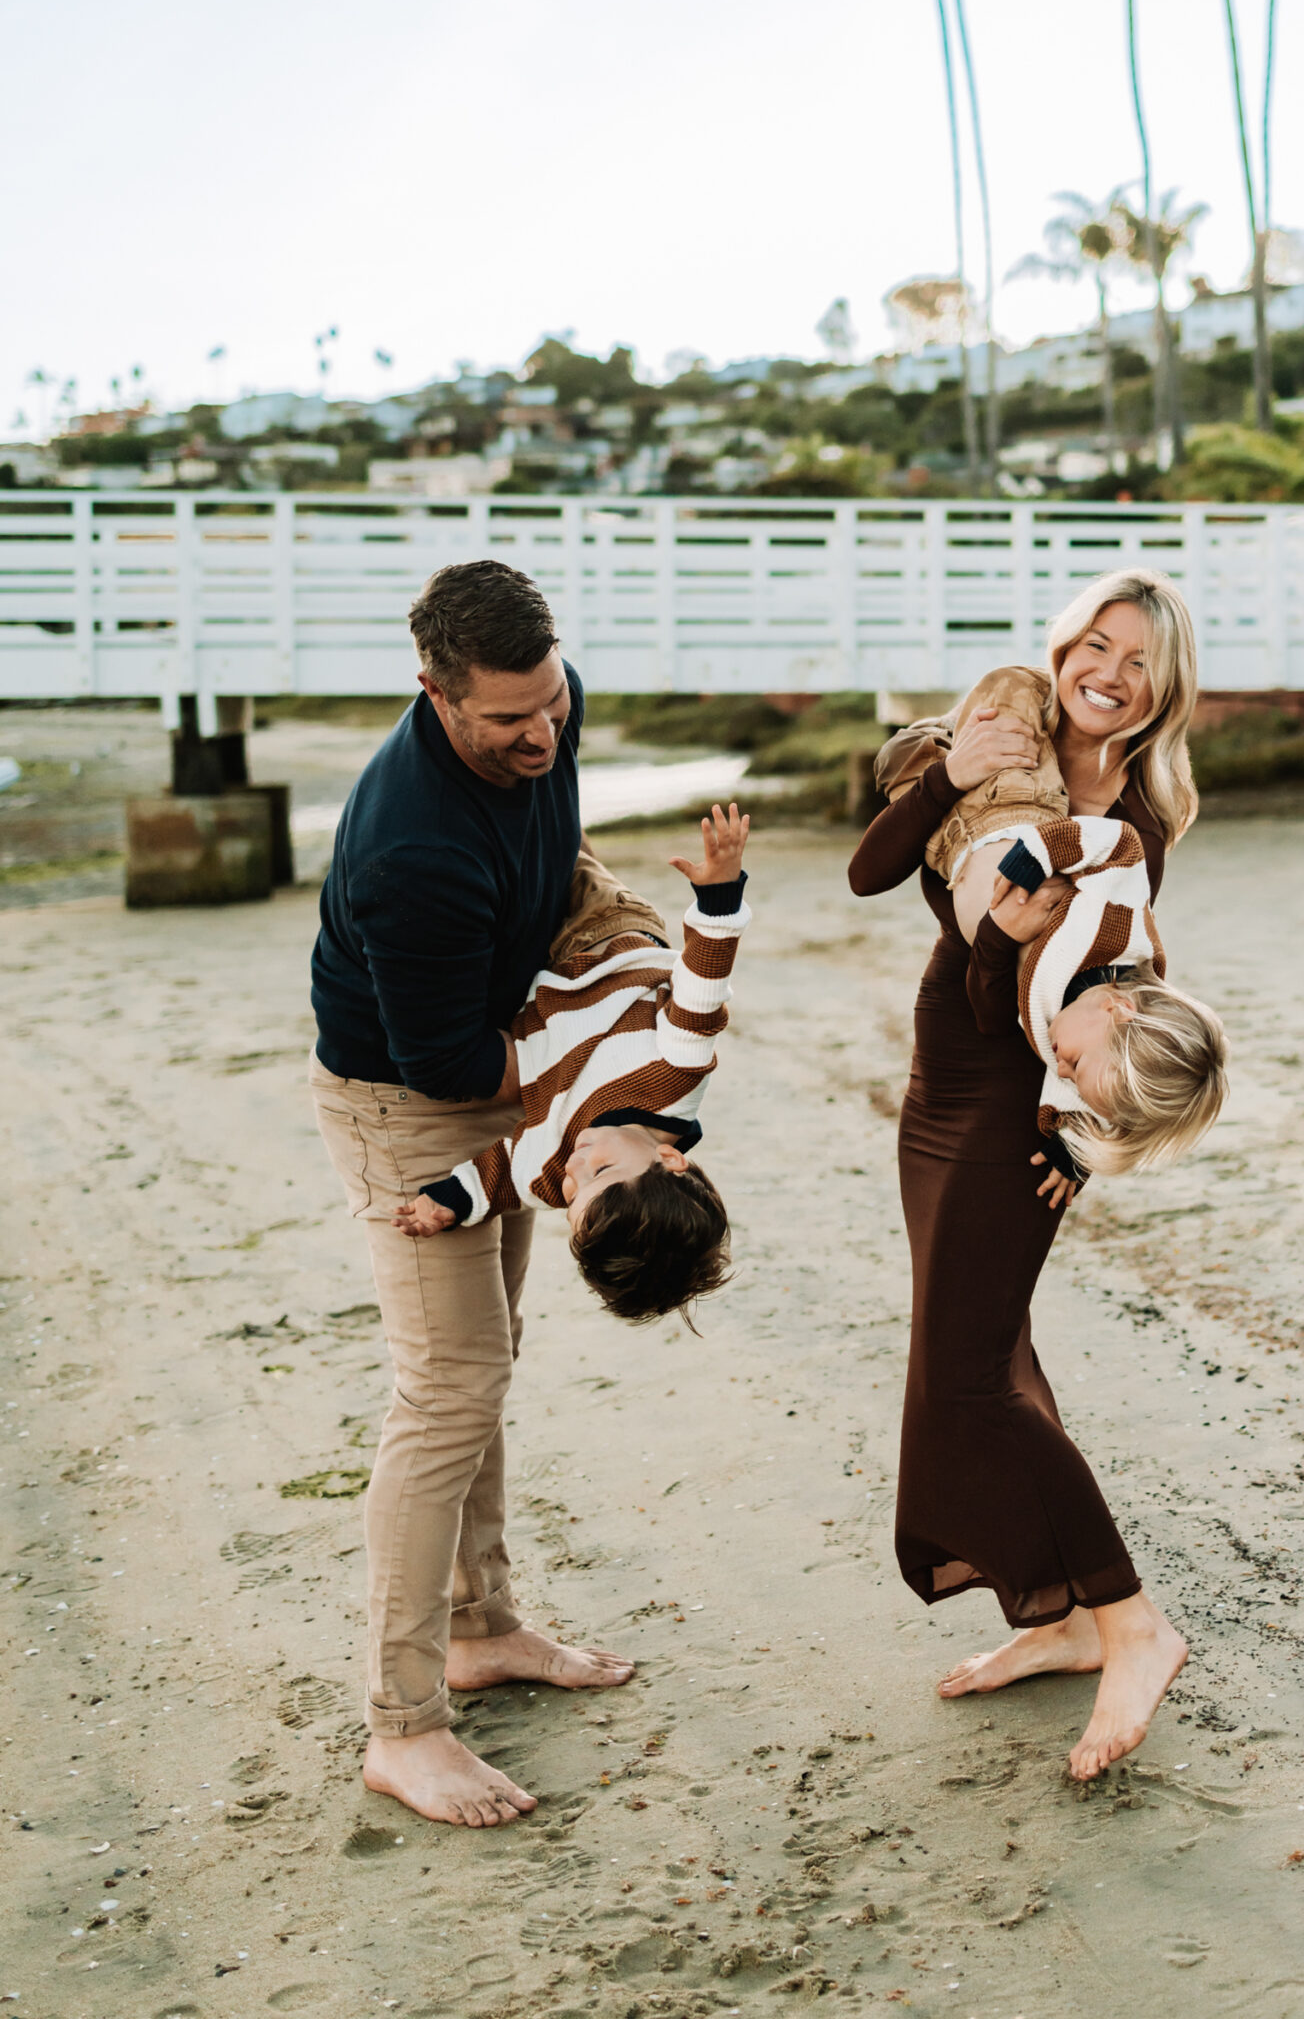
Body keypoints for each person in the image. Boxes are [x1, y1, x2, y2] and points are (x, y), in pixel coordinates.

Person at [847, 566, 1203, 1782]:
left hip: (1024, 1108)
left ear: (1164, 691)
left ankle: (1132, 1623)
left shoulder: (1138, 821)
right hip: (940, 1078)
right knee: (992, 1355)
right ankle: (1059, 1616)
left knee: (963, 1381)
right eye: (1095, 643)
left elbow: (1121, 1000)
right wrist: (947, 776)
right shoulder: (999, 740)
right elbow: (872, 871)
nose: (1109, 673)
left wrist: (1077, 1146)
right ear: (1062, 646)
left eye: (1139, 661)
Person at [309, 557, 627, 1829]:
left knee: (486, 1358)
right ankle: (402, 1727)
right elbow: (444, 1064)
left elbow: (558, 849)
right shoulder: (410, 848)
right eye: (508, 719)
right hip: (409, 1099)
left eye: (551, 702)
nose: (542, 733)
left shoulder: (545, 703)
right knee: (445, 1391)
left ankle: (482, 1626)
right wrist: (591, 1061)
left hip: (505, 1060)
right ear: (434, 693)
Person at [396, 804, 752, 1330]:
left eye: (570, 1197)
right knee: (558, 848)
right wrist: (719, 899)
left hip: (534, 980)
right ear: (669, 1159)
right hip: (603, 938)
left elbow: (502, 1174)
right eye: (600, 1173)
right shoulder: (675, 1076)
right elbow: (702, 992)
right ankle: (550, 790)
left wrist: (449, 1203)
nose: (575, 1168)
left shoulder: (550, 1172)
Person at [896, 666, 1227, 1191]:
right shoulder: (1111, 927)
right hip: (1013, 818)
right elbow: (1121, 847)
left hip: (980, 1063)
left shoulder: (1083, 1039)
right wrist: (1037, 855)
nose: (1062, 1070)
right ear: (1118, 1009)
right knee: (989, 701)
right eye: (1074, 1064)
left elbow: (1065, 1083)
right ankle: (938, 734)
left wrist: (1071, 1149)